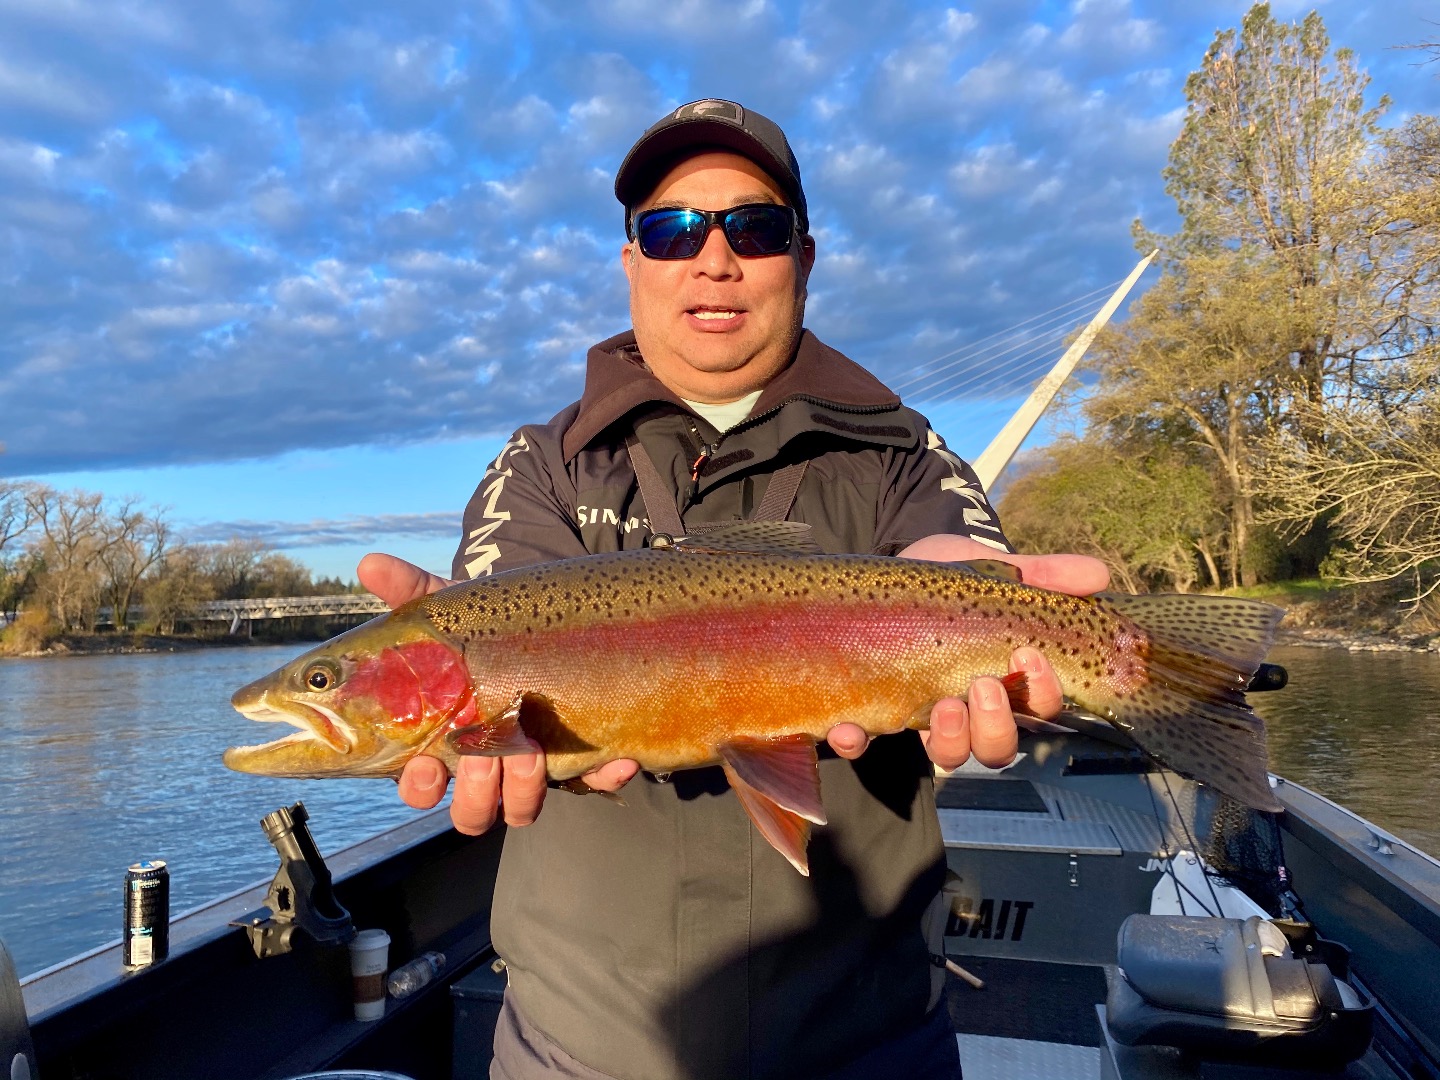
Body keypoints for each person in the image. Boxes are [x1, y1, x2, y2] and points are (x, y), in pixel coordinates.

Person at [359, 99, 1109, 1080]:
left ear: (804, 256)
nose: (713, 259)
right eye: (673, 231)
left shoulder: (907, 453)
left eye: (751, 228)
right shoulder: (540, 466)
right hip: (581, 1049)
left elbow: (955, 550)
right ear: (632, 263)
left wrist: (978, 611)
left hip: (873, 1040)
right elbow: (505, 606)